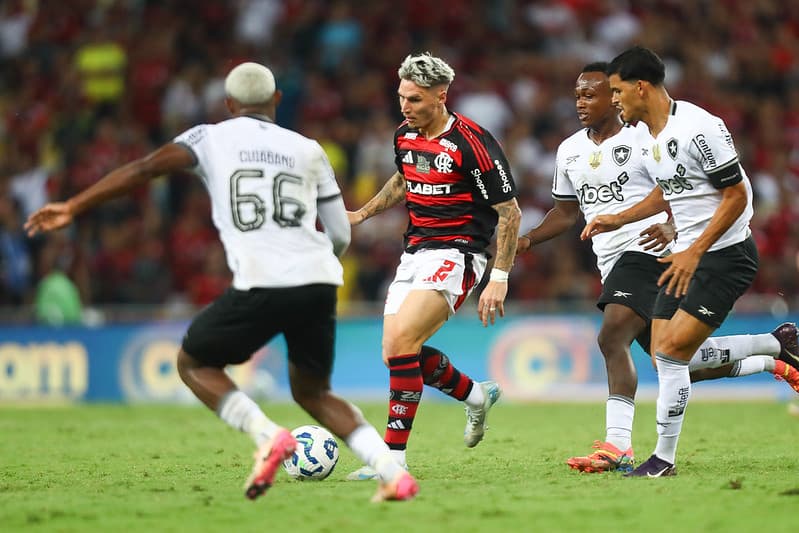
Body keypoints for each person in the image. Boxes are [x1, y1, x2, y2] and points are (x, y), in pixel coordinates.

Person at [24, 62, 417, 502]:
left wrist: (74, 206)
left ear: (228, 104)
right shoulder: (309, 148)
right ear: (277, 102)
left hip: (262, 280)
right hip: (319, 279)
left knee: (193, 364)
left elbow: (143, 170)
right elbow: (340, 234)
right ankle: (391, 471)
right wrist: (317, 269)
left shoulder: (209, 137)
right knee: (314, 392)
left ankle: (268, 435)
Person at [517, 62, 799, 474]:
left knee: (613, 333)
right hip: (611, 259)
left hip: (648, 251)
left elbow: (684, 191)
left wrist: (671, 227)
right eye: (579, 94)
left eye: (596, 94)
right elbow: (565, 213)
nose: (584, 101)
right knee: (676, 362)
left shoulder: (646, 136)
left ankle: (619, 445)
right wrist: (527, 240)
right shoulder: (570, 151)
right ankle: (776, 349)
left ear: (626, 95)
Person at [344, 52, 521, 480]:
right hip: (414, 253)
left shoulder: (472, 142)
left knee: (403, 340)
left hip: (457, 254)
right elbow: (404, 178)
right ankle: (475, 395)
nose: (405, 106)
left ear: (441, 97)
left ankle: (393, 460)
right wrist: (362, 214)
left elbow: (510, 212)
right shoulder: (405, 135)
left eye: (416, 99)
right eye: (402, 96)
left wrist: (499, 276)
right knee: (394, 353)